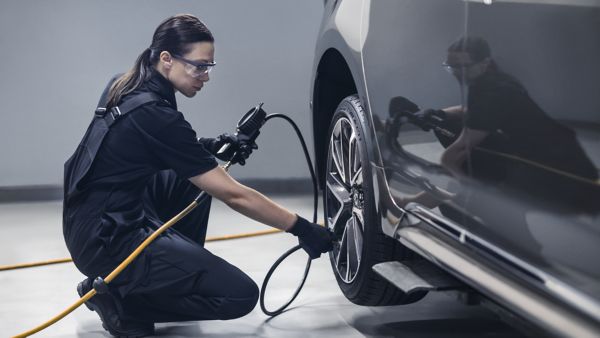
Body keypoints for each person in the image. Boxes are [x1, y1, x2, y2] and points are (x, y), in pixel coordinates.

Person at [62, 14, 333, 337]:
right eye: (200, 66)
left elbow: (155, 148)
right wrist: (301, 227)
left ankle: (157, 275)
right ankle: (121, 300)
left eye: (210, 67)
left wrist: (213, 146)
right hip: (106, 242)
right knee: (239, 295)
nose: (206, 76)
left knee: (190, 180)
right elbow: (234, 194)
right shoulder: (155, 114)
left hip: (88, 220)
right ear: (167, 59)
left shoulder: (126, 84)